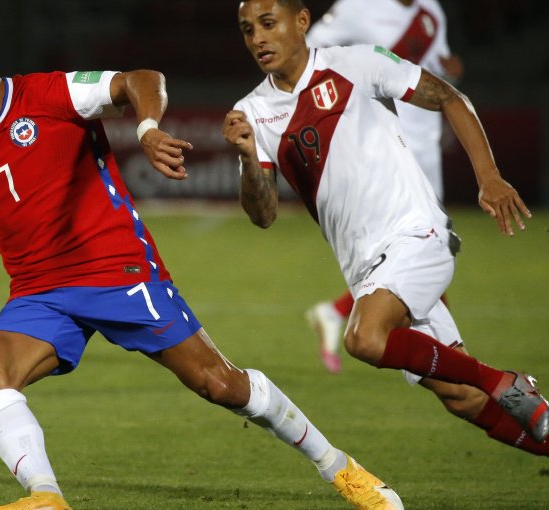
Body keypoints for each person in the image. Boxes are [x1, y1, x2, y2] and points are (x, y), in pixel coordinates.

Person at [0, 28, 402, 510]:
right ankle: (46, 497)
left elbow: (140, 79)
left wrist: (146, 130)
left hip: (117, 270)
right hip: (39, 291)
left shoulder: (50, 94)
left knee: (220, 383)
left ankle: (340, 467)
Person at [222, 0, 549, 459]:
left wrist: (488, 177)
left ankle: (505, 382)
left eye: (268, 24)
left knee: (364, 338)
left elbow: (451, 97)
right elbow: (263, 214)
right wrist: (245, 154)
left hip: (416, 235)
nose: (257, 38)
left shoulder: (358, 63)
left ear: (301, 22)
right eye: (247, 29)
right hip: (366, 268)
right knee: (463, 397)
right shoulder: (252, 111)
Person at [303, 0, 463, 374]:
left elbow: (435, 67)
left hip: (426, 138)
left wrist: (450, 69)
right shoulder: (358, 6)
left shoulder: (432, 10)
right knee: (428, 244)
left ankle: (340, 312)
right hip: (389, 142)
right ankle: (448, 357)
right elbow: (310, 47)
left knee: (429, 247)